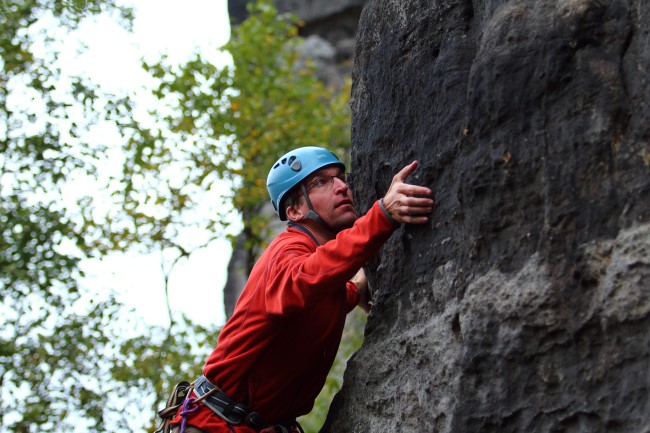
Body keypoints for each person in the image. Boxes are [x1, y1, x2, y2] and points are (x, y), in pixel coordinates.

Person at [168, 146, 434, 433]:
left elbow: (331, 292)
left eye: (340, 178)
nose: (342, 186)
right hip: (214, 424)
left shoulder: (321, 276)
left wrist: (358, 290)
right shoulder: (284, 252)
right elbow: (305, 279)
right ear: (294, 209)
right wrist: (381, 216)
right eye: (321, 182)